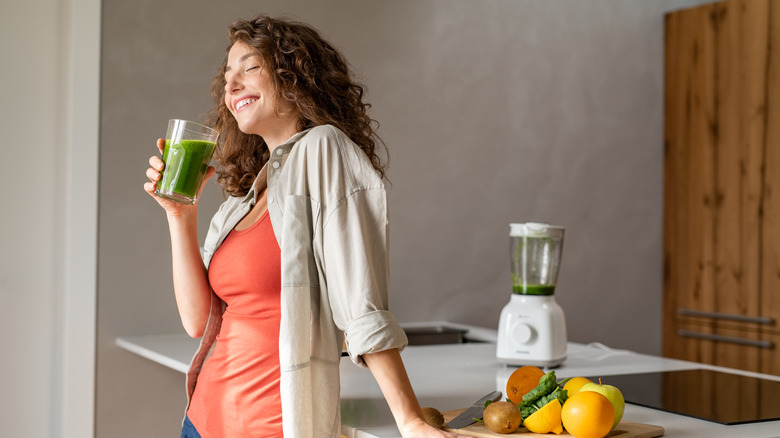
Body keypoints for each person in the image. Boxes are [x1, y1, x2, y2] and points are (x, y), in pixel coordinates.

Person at [144, 15, 468, 438]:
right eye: (227, 77)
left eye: (250, 68)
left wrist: (408, 420)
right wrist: (179, 215)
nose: (232, 85)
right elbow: (198, 322)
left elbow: (361, 301)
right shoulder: (242, 202)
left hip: (274, 427)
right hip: (199, 422)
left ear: (293, 73)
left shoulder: (324, 150)